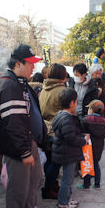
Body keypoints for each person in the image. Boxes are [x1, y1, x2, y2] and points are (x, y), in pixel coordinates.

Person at [0, 44, 47, 208]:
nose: (34, 68)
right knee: (18, 184)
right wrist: (24, 152)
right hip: (18, 145)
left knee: (32, 180)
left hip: (27, 140)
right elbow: (14, 124)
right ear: (18, 64)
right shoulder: (9, 85)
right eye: (30, 64)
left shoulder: (19, 82)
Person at [52, 88, 88, 208]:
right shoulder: (67, 118)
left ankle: (67, 199)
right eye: (76, 101)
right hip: (68, 153)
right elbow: (71, 138)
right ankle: (63, 203)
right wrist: (84, 141)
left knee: (68, 179)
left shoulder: (61, 115)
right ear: (72, 103)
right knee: (67, 180)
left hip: (65, 152)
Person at [38, 63, 67, 199]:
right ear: (62, 75)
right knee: (56, 163)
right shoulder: (62, 90)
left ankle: (52, 185)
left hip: (44, 129)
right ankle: (48, 189)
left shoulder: (44, 89)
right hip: (57, 130)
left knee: (50, 160)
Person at [77, 100, 105, 190]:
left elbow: (81, 132)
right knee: (96, 164)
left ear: (91, 109)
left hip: (87, 146)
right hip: (99, 147)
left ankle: (86, 185)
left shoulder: (85, 120)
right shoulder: (104, 121)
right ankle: (97, 184)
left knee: (87, 164)